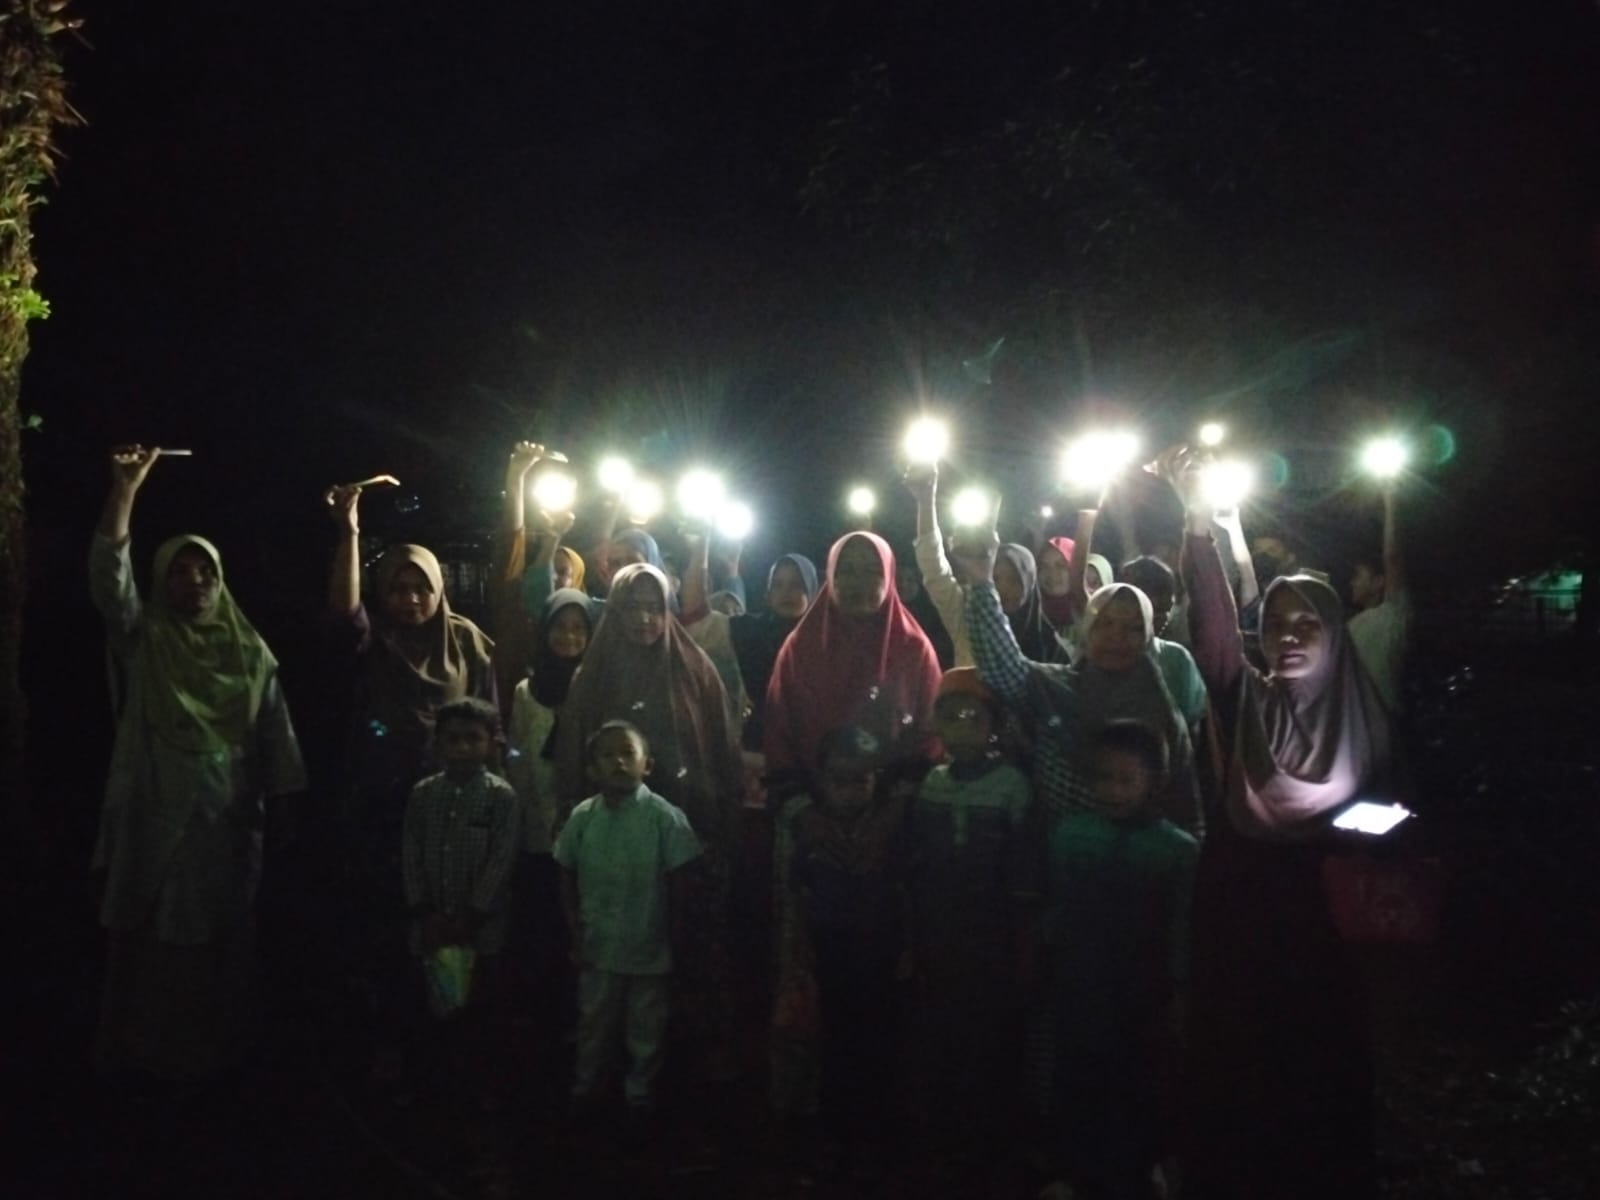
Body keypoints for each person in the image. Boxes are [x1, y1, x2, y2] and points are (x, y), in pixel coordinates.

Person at [1160, 445, 1393, 1199]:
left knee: (1319, 1072)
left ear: (1336, 632)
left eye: (1307, 624)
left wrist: (1367, 829)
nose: (1288, 635)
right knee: (1240, 1066)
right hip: (1243, 913)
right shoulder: (1249, 703)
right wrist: (1197, 523)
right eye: (1277, 624)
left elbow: (1400, 818)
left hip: (1325, 922)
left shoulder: (1366, 718)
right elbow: (1214, 633)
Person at [91, 445, 306, 1080]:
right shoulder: (146, 638)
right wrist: (125, 491)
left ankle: (219, 1065)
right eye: (180, 572)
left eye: (205, 572)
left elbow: (277, 741)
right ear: (162, 580)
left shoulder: (249, 652)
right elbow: (109, 582)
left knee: (221, 939)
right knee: (155, 940)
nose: (195, 582)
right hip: (155, 820)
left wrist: (286, 813)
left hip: (225, 826)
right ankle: (148, 1063)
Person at [324, 481, 497, 1082]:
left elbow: (491, 721)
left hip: (454, 809)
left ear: (439, 588)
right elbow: (343, 612)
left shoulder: (467, 640)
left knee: (454, 926)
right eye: (398, 588)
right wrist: (348, 529)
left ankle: (452, 1044)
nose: (411, 598)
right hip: (385, 809)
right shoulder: (374, 642)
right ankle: (392, 1040)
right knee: (391, 925)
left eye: (422, 586)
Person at [554, 564, 744, 1073]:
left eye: (654, 607)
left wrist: (722, 826)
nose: (643, 619)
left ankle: (675, 1064)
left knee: (680, 948)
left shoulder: (693, 667)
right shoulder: (593, 675)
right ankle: (609, 1069)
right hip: (609, 843)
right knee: (611, 963)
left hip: (686, 839)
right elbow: (573, 755)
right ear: (614, 612)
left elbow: (722, 748)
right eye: (631, 608)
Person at [1038, 719, 1197, 1200]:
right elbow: (1055, 906)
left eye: (1126, 780)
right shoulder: (1070, 835)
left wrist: (1180, 988)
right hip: (1079, 982)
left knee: (1137, 1080)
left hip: (1142, 992)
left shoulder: (1176, 850)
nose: (1112, 790)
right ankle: (1073, 1170)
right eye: (1103, 778)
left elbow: (1181, 926)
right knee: (1076, 1074)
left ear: (1154, 782)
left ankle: (1136, 1170)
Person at [957, 526, 1201, 836]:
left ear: (1149, 638)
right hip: (1062, 849)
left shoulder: (1161, 709)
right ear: (1087, 629)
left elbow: (1185, 804)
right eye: (1105, 623)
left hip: (1143, 857)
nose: (1116, 637)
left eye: (1134, 628)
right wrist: (981, 581)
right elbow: (1001, 665)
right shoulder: (1054, 687)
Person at [904, 669, 1035, 1164]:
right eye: (950, 717)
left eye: (972, 717)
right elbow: (919, 863)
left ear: (994, 725)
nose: (961, 728)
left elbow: (1022, 872)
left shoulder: (1012, 786)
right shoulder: (933, 784)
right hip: (941, 929)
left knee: (990, 1031)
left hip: (992, 932)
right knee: (944, 1025)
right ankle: (947, 1132)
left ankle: (990, 1136)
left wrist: (1023, 942)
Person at [774, 726, 911, 1177]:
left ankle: (875, 1135)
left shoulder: (889, 831)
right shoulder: (811, 832)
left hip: (880, 952)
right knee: (834, 1043)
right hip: (830, 951)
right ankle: (838, 1134)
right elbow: (797, 897)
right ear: (822, 780)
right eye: (839, 781)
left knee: (879, 1042)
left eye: (861, 780)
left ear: (876, 780)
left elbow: (906, 894)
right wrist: (799, 954)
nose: (850, 791)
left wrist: (908, 948)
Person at [553, 721, 701, 1130]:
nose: (618, 761)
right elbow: (564, 871)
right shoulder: (583, 817)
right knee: (593, 1024)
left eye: (627, 753)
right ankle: (587, 1089)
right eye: (607, 755)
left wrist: (676, 937)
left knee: (646, 1028)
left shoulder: (665, 818)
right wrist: (574, 931)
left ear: (647, 765)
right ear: (592, 770)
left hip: (649, 945)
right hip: (597, 946)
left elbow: (682, 882)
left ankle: (640, 1095)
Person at [402, 698, 521, 1107]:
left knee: (481, 1011)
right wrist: (425, 913)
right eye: (453, 739)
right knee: (431, 1009)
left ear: (491, 743)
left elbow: (502, 860)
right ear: (437, 743)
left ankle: (478, 1092)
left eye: (473, 738)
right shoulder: (423, 795)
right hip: (431, 929)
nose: (463, 747)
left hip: (482, 933)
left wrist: (471, 917)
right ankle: (432, 1090)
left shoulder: (502, 797)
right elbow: (410, 853)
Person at [764, 532, 944, 788]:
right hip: (811, 798)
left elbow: (932, 731)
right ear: (831, 576)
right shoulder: (801, 648)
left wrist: (902, 796)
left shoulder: (913, 649)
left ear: (889, 577)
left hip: (899, 802)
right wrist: (797, 800)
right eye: (847, 570)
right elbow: (779, 728)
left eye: (872, 571)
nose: (859, 582)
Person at [1345, 483, 1410, 715]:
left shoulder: (1393, 613)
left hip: (1385, 717)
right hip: (1353, 719)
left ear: (1379, 582)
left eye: (1359, 577)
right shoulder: (1350, 625)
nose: (1352, 583)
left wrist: (1391, 502)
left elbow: (1392, 557)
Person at [1038, 536, 1078, 631]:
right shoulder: (1030, 615)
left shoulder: (1091, 615)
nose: (1052, 573)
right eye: (1044, 566)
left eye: (1061, 566)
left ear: (1076, 569)